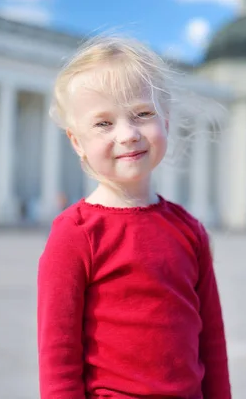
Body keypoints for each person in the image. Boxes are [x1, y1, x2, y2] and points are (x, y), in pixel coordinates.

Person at [37, 35, 231, 399]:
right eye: (103, 123)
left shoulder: (190, 231)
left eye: (142, 114)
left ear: (167, 123)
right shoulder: (75, 235)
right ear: (76, 142)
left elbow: (212, 343)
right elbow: (57, 359)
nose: (127, 134)